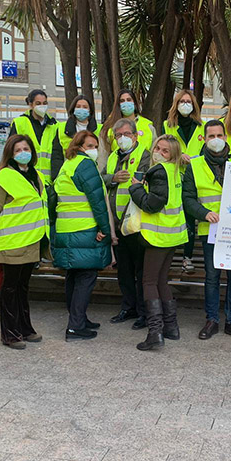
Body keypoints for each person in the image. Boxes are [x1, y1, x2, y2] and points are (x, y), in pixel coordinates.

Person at [182, 119, 231, 341]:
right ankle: (212, 320)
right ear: (204, 139)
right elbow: (188, 198)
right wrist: (203, 213)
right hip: (209, 230)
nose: (216, 140)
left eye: (219, 136)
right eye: (211, 136)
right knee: (212, 277)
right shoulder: (195, 165)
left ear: (225, 137)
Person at [0, 134, 48, 349]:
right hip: (11, 242)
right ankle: (10, 333)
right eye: (18, 150)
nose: (23, 153)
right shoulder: (3, 178)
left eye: (26, 149)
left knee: (23, 287)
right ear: (10, 154)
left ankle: (25, 328)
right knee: (10, 288)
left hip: (32, 240)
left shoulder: (36, 176)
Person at [50, 131, 112, 341]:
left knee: (74, 277)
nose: (94, 150)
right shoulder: (85, 165)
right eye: (90, 145)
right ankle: (75, 326)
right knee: (86, 277)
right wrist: (105, 229)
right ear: (79, 146)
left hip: (66, 229)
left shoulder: (68, 165)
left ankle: (79, 318)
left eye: (96, 146)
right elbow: (98, 202)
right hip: (84, 230)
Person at [128, 134, 188, 351]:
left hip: (158, 236)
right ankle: (171, 327)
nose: (159, 153)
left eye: (165, 151)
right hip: (173, 234)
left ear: (173, 155)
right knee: (162, 280)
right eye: (158, 148)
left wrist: (135, 188)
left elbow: (151, 204)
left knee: (149, 282)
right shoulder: (176, 170)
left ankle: (155, 332)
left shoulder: (159, 171)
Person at [101, 117, 151, 329]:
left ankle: (143, 311)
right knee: (124, 270)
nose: (122, 138)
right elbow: (101, 178)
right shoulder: (112, 156)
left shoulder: (144, 154)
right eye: (118, 135)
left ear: (135, 134)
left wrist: (129, 178)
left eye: (126, 134)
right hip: (116, 223)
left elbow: (144, 177)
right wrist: (113, 178)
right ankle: (128, 306)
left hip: (135, 223)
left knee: (141, 270)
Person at [163, 89, 204, 274]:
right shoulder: (167, 126)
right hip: (175, 175)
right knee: (172, 216)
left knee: (190, 218)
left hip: (196, 177)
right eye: (182, 101)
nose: (185, 104)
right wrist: (178, 157)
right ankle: (169, 255)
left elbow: (206, 152)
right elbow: (162, 151)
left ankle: (187, 257)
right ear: (176, 104)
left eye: (188, 101)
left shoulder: (202, 127)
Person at [9, 89, 64, 184]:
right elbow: (11, 151)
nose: (42, 106)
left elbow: (58, 155)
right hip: (25, 179)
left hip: (49, 182)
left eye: (45, 103)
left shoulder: (56, 126)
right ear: (31, 105)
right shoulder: (19, 123)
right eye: (38, 103)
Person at [101, 89, 157, 153]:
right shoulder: (110, 126)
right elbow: (103, 154)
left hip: (144, 162)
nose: (126, 103)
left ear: (134, 103)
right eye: (122, 101)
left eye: (129, 100)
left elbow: (155, 151)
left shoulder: (148, 126)